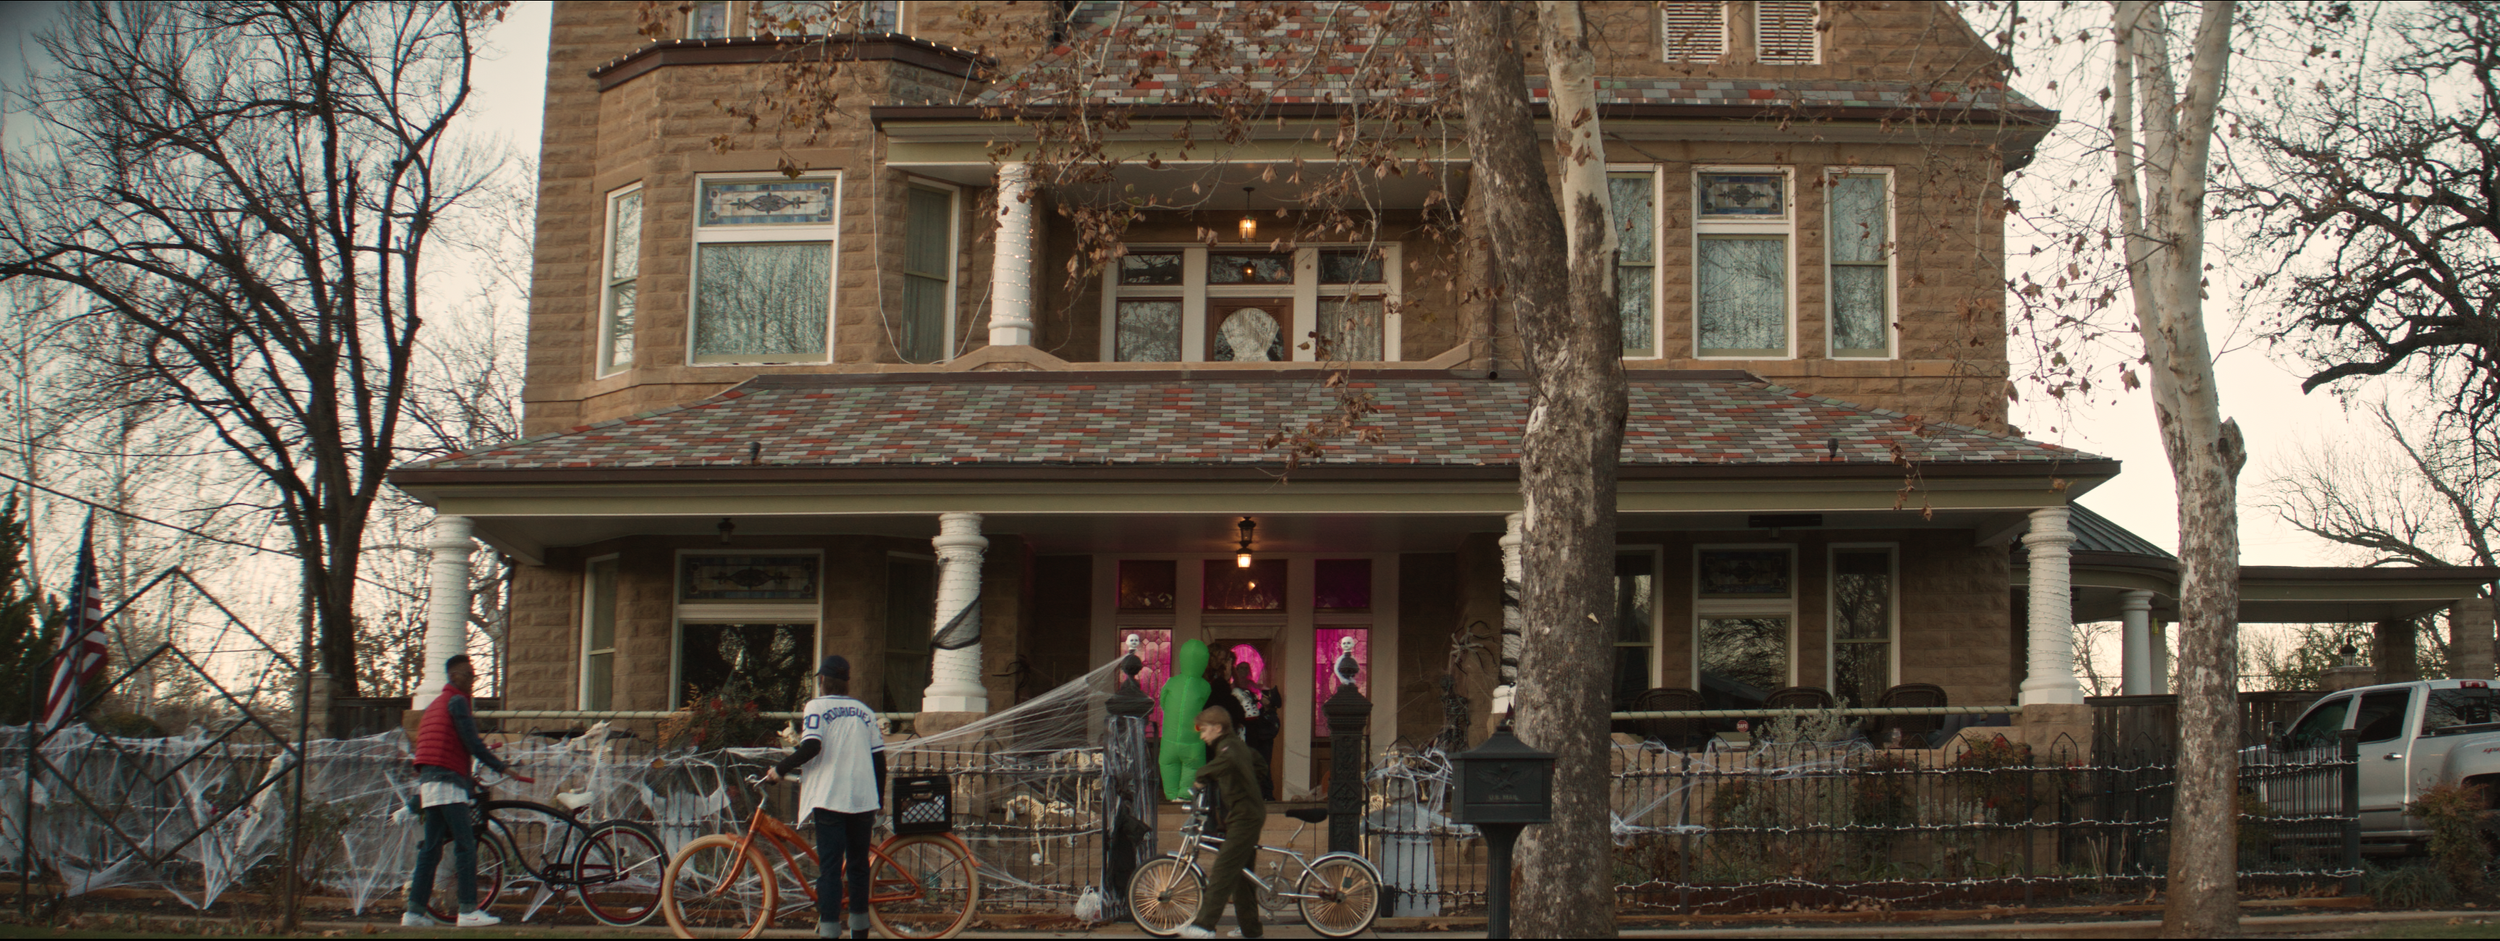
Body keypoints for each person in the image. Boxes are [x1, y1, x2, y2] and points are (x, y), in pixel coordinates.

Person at [404, 654, 532, 928]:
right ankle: (468, 911)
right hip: (448, 784)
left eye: (474, 675)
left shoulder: (435, 705)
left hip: (430, 782)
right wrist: (502, 767)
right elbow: (472, 742)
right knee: (465, 845)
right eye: (468, 675)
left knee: (431, 850)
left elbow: (441, 745)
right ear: (453, 676)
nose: (473, 680)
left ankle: (413, 913)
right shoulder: (457, 701)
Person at [764, 655, 886, 940]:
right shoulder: (865, 711)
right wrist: (878, 800)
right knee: (858, 867)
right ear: (846, 682)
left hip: (830, 797)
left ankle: (830, 931)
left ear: (822, 681)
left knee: (830, 869)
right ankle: (860, 933)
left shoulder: (816, 706)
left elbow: (812, 746)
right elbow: (879, 761)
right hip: (862, 799)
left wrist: (779, 770)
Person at [1181, 704, 1267, 940]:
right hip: (1245, 813)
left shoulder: (1228, 748)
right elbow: (1259, 763)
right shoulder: (1237, 746)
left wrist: (1201, 777)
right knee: (1242, 875)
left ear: (1218, 728)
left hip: (1245, 817)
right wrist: (1246, 783)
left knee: (1224, 869)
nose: (1202, 735)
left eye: (1203, 729)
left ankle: (1204, 926)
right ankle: (1251, 930)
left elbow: (1227, 761)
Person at [1230, 661, 1280, 800]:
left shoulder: (1254, 686)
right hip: (1242, 730)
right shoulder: (1233, 689)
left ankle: (1263, 794)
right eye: (1241, 668)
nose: (1243, 671)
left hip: (1255, 732)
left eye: (1246, 668)